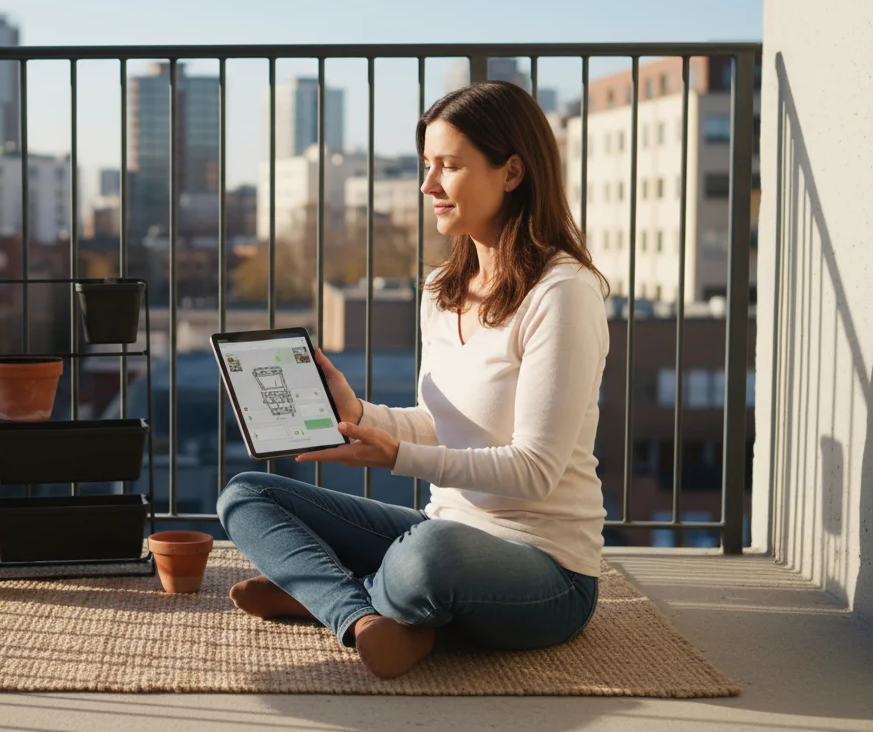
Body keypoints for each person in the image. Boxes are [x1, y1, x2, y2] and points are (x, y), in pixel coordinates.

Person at [216, 80, 610, 679]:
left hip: (545, 568)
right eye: (428, 166)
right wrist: (361, 414)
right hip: (445, 529)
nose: (428, 186)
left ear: (511, 173)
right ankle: (364, 615)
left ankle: (330, 595)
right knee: (247, 494)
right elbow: (444, 426)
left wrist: (396, 456)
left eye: (449, 167)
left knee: (427, 557)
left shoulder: (563, 294)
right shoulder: (440, 291)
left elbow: (535, 470)